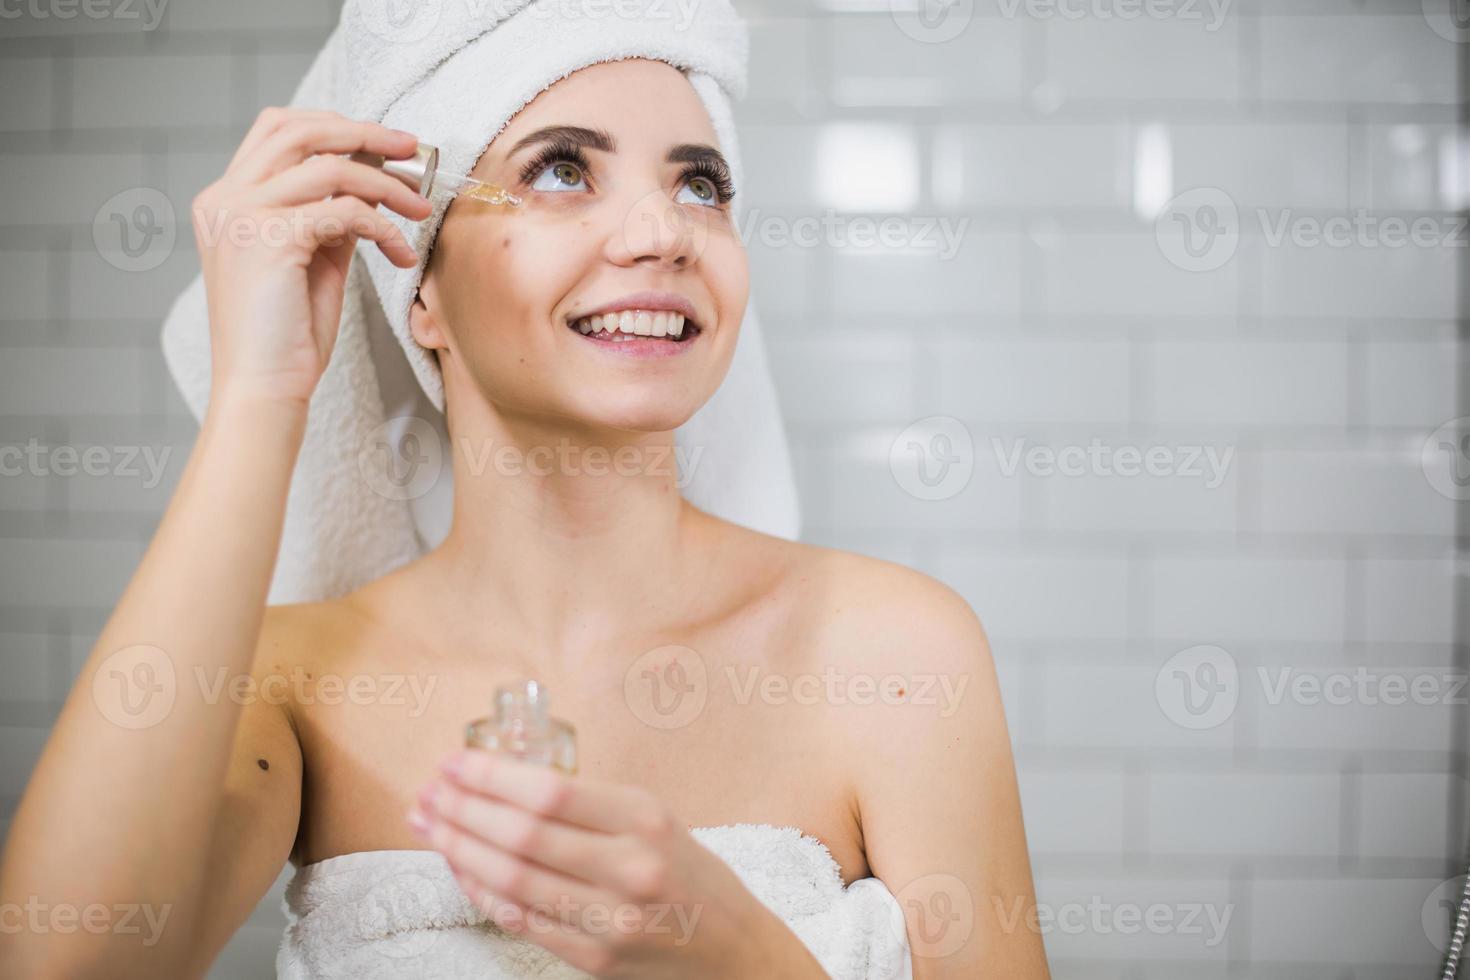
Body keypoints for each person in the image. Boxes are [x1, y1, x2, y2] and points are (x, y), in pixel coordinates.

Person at [0, 53, 1048, 980]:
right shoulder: (292, 681)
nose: (663, 230)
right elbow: (61, 959)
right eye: (561, 168)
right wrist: (260, 392)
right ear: (423, 291)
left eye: (700, 182)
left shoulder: (899, 653)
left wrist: (738, 958)